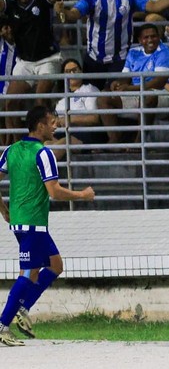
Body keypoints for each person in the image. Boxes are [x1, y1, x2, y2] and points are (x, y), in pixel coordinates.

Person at [0, 105, 95, 347]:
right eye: (52, 122)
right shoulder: (43, 154)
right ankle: (3, 324)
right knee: (28, 271)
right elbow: (54, 192)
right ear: (40, 125)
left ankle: (22, 309)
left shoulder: (11, 150)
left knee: (55, 264)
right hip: (33, 222)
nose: (56, 126)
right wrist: (82, 195)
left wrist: (5, 211)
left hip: (22, 221)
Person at [55, 0, 169, 83]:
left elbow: (153, 6)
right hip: (94, 60)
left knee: (116, 98)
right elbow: (74, 14)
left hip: (121, 60)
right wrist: (63, 12)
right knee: (92, 99)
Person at [96, 23, 169, 144]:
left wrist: (130, 88)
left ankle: (139, 141)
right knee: (104, 98)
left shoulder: (165, 52)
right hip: (136, 92)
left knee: (148, 96)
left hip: (164, 93)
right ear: (140, 40)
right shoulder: (134, 52)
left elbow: (159, 82)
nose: (150, 40)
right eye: (146, 37)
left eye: (154, 36)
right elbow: (126, 77)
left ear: (159, 37)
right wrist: (117, 84)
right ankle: (114, 140)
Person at [0, 0, 63, 104]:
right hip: (24, 62)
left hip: (48, 59)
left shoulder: (42, 1)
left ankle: (42, 126)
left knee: (40, 100)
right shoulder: (11, 7)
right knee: (9, 103)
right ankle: (12, 129)